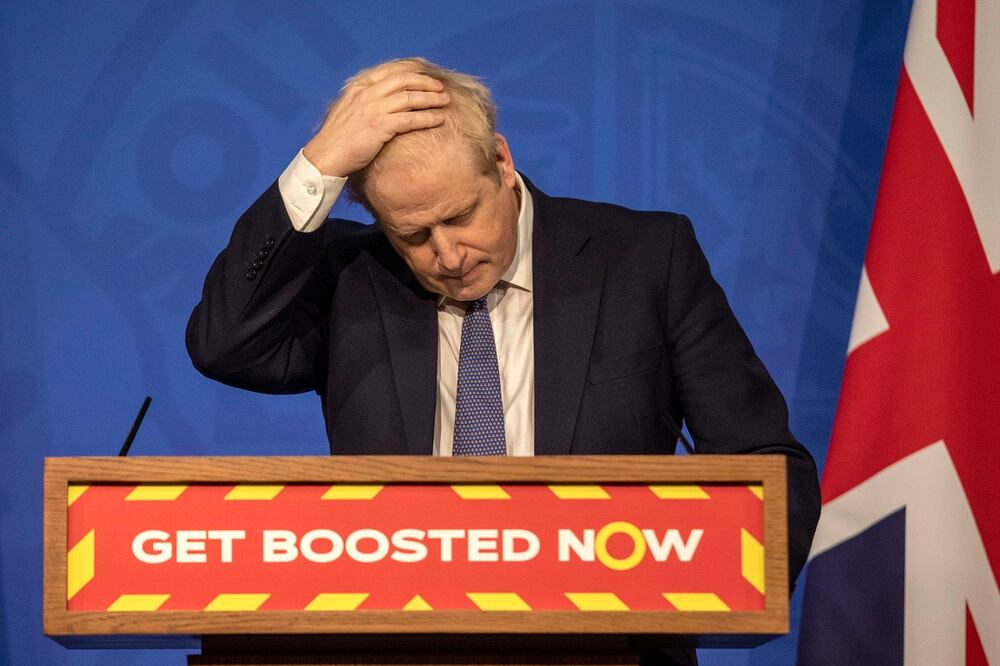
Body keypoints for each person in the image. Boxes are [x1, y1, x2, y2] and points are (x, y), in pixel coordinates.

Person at [186, 58, 820, 659]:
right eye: (413, 235)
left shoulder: (644, 259)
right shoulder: (351, 281)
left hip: (612, 653)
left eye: (462, 215)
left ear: (500, 161)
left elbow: (766, 462)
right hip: (391, 654)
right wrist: (318, 164)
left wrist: (718, 595)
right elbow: (225, 343)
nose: (449, 254)